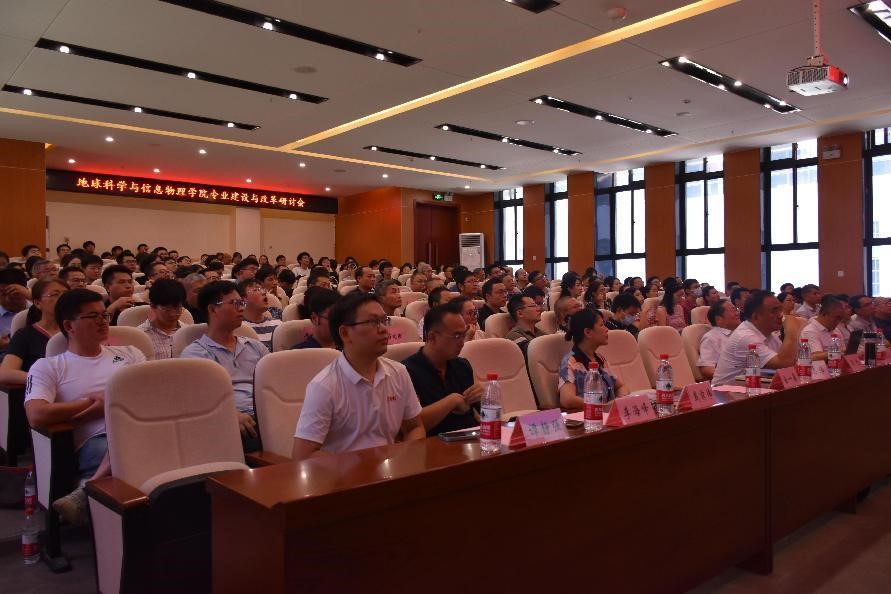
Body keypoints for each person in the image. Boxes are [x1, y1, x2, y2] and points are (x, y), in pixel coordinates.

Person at [25, 289, 146, 525]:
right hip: (95, 440)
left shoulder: (131, 354)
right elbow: (36, 414)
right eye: (93, 316)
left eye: (105, 315)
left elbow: (150, 394)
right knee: (129, 448)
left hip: (141, 428)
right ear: (69, 326)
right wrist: (93, 404)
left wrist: (109, 403)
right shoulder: (48, 366)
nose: (103, 321)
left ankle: (88, 490)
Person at [291, 292, 425, 460]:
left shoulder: (398, 372)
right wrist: (360, 466)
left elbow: (414, 427)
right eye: (373, 322)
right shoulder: (325, 386)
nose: (384, 329)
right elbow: (303, 455)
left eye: (384, 320)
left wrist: (404, 457)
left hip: (391, 469)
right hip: (343, 474)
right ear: (345, 333)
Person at [181, 281, 269, 452]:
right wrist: (229, 414)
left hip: (266, 412)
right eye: (235, 303)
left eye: (242, 303)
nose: (241, 308)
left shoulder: (255, 346)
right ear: (213, 310)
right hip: (232, 420)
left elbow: (274, 385)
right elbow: (200, 401)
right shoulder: (195, 354)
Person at [0, 279, 66, 463]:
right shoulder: (26, 335)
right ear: (37, 302)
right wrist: (45, 379)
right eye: (55, 295)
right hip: (43, 398)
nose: (62, 299)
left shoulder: (78, 331)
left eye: (66, 294)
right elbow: (5, 372)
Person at [403, 304, 482, 436]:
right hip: (434, 443)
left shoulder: (462, 365)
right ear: (432, 337)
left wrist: (482, 395)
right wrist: (452, 401)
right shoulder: (407, 371)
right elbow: (411, 426)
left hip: (470, 439)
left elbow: (477, 413)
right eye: (456, 336)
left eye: (463, 335)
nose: (462, 342)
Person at [711, 292, 806, 386]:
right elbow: (784, 363)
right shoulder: (745, 337)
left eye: (780, 309)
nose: (780, 315)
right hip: (725, 391)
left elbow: (791, 362)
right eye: (774, 311)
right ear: (756, 317)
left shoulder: (769, 333)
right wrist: (792, 331)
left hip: (754, 386)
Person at [558, 308, 627, 411]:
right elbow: (567, 399)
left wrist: (619, 401)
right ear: (588, 332)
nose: (607, 329)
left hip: (609, 414)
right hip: (590, 416)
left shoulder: (600, 358)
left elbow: (621, 387)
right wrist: (600, 407)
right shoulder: (571, 361)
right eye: (602, 325)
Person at [138, 279, 186, 360]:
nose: (172, 314)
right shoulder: (140, 336)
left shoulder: (188, 333)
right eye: (167, 309)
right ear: (153, 306)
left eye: (177, 308)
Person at [697, 300, 741, 380]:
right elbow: (706, 368)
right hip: (731, 382)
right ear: (718, 319)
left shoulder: (739, 334)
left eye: (736, 310)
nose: (737, 313)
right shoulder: (711, 338)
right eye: (733, 310)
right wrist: (733, 378)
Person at [237, 279, 281, 351]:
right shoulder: (237, 329)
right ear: (243, 299)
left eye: (262, 289)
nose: (264, 292)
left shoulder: (278, 325)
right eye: (256, 290)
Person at [800, 295, 845, 361]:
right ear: (824, 314)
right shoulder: (810, 331)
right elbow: (815, 356)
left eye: (840, 319)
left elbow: (843, 350)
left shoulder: (836, 330)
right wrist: (837, 353)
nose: (838, 322)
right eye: (837, 318)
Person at [0, 268, 30, 358]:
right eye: (3, 294)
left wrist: (31, 296)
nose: (8, 299)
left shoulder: (40, 309)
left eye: (14, 293)